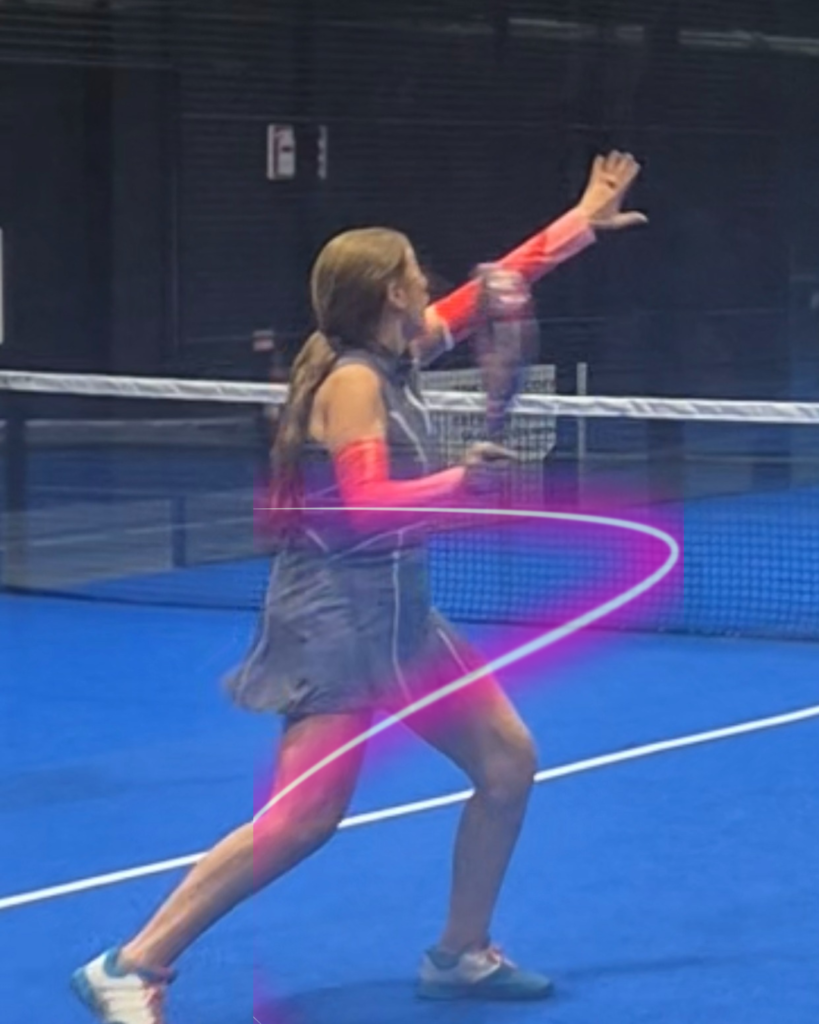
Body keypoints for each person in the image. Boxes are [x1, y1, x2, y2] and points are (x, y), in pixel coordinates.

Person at [72, 152, 646, 1022]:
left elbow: (492, 289)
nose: (429, 282)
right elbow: (366, 502)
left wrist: (579, 221)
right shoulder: (350, 384)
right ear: (388, 293)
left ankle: (459, 952)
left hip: (401, 613)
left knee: (505, 763)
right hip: (336, 622)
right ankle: (132, 963)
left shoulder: (398, 350)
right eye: (415, 272)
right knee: (302, 819)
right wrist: (459, 482)